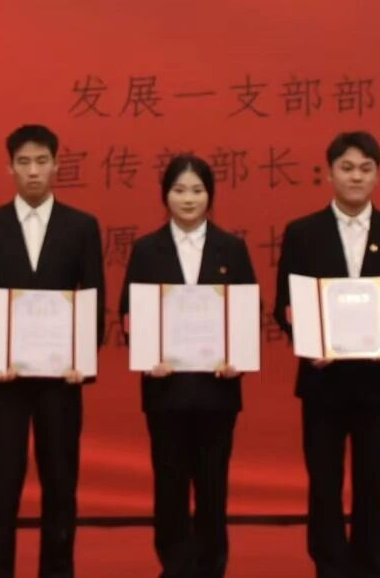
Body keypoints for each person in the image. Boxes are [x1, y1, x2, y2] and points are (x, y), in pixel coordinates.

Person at [273, 130, 380, 578]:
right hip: (323, 379)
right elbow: (285, 303)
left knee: (371, 480)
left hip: (378, 380)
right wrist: (307, 341)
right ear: (329, 173)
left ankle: (371, 563)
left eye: (365, 168)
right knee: (324, 482)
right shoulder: (303, 233)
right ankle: (330, 565)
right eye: (346, 168)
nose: (356, 177)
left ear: (377, 175)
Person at [0, 124, 105, 578]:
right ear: (10, 168)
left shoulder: (81, 227)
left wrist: (83, 361)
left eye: (42, 161)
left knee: (60, 482)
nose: (33, 171)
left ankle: (58, 570)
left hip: (60, 382)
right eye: (23, 162)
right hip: (2, 382)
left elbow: (94, 300)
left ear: (57, 164)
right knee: (0, 483)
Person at [119, 154, 256, 578]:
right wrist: (147, 355)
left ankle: (212, 565)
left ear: (210, 195)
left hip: (217, 389)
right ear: (165, 195)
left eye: (197, 190)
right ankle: (175, 566)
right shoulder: (147, 250)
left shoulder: (232, 248)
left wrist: (239, 357)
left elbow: (248, 310)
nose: (189, 199)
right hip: (167, 390)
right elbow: (128, 312)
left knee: (213, 485)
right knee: (170, 485)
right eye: (179, 190)